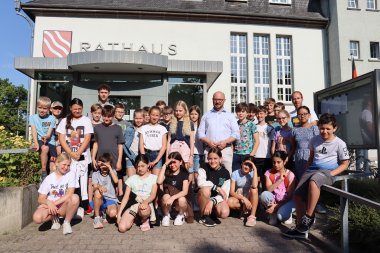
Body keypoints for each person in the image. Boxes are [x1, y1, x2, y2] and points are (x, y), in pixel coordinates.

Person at [283, 113, 350, 239]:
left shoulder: (340, 143)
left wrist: (331, 174)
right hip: (312, 170)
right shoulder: (314, 140)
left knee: (314, 181)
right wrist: (307, 170)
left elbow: (345, 164)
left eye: (328, 129)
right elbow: (311, 157)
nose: (324, 131)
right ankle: (300, 229)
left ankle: (309, 218)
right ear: (318, 127)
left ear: (334, 128)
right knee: (297, 195)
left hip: (327, 172)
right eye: (322, 128)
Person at [57, 98, 94, 218]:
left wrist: (78, 152)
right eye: (75, 109)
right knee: (70, 182)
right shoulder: (64, 121)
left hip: (82, 157)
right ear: (70, 108)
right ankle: (68, 206)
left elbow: (87, 138)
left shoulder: (86, 120)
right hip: (68, 158)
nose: (77, 111)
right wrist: (70, 153)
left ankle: (82, 207)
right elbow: (61, 139)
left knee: (82, 183)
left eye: (79, 109)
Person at [33, 153, 79, 235]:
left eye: (68, 165)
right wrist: (48, 203)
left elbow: (69, 194)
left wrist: (52, 204)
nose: (66, 167)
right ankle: (55, 218)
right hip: (51, 206)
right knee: (37, 218)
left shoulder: (71, 174)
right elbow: (40, 198)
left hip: (63, 206)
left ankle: (67, 222)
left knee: (75, 197)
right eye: (64, 164)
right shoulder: (48, 178)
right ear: (57, 163)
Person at [198, 91, 240, 174]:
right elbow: (200, 133)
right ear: (212, 100)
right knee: (209, 175)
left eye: (220, 99)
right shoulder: (206, 115)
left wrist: (225, 142)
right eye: (216, 99)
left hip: (225, 150)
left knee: (227, 174)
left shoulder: (230, 116)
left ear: (224, 100)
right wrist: (209, 142)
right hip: (210, 150)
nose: (218, 101)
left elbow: (236, 133)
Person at [91, 105, 124, 201]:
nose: (106, 118)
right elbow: (96, 143)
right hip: (100, 159)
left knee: (113, 182)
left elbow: (120, 145)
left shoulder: (118, 128)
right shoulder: (97, 128)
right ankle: (98, 203)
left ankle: (113, 202)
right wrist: (93, 158)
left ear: (113, 116)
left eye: (109, 116)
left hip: (113, 160)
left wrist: (119, 161)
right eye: (104, 116)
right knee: (99, 181)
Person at [117, 154, 158, 232]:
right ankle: (135, 219)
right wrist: (119, 214)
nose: (140, 168)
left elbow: (153, 195)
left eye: (142, 166)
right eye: (138, 166)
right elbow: (125, 198)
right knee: (122, 228)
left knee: (144, 210)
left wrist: (145, 202)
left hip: (146, 203)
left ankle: (145, 220)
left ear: (148, 164)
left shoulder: (153, 178)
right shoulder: (132, 179)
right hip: (134, 204)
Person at [197, 148, 231, 227]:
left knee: (224, 213)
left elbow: (225, 193)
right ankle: (204, 217)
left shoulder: (225, 173)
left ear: (220, 159)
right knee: (206, 190)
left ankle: (211, 213)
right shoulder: (203, 166)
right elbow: (200, 183)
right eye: (210, 159)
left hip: (215, 199)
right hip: (202, 197)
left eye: (215, 158)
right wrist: (217, 188)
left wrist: (212, 201)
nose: (212, 161)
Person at [157, 152, 192, 226]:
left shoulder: (184, 173)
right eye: (170, 163)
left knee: (182, 199)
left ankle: (181, 215)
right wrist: (164, 165)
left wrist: (172, 198)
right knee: (166, 196)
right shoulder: (167, 172)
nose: (172, 165)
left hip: (178, 201)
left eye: (174, 162)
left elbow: (185, 191)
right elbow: (159, 181)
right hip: (167, 202)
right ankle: (166, 215)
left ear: (180, 162)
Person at [261, 151, 296, 225]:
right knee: (264, 194)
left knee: (281, 217)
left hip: (286, 201)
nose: (276, 165)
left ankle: (287, 213)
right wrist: (280, 180)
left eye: (278, 162)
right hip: (274, 200)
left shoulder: (290, 175)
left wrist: (276, 206)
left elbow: (290, 196)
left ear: (284, 161)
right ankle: (273, 214)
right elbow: (269, 190)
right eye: (274, 162)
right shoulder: (269, 173)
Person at [29, 96, 57, 181]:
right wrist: (36, 142)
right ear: (37, 107)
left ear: (49, 109)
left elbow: (49, 132)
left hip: (50, 140)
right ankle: (44, 171)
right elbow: (34, 131)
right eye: (40, 107)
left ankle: (52, 181)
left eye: (45, 108)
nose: (42, 110)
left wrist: (47, 137)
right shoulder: (33, 117)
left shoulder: (52, 118)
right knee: (45, 148)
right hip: (39, 140)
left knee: (53, 162)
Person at [228, 157, 259, 227]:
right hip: (239, 195)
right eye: (245, 164)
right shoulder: (235, 173)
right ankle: (243, 210)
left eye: (250, 165)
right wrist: (244, 199)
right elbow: (232, 192)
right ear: (242, 164)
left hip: (249, 195)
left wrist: (255, 169)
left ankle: (252, 216)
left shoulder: (252, 174)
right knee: (229, 202)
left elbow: (254, 186)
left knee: (254, 190)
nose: (247, 167)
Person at [91, 153, 118, 229]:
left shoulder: (112, 172)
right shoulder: (95, 174)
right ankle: (97, 218)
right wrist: (99, 187)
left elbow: (116, 181)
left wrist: (109, 168)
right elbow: (94, 187)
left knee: (113, 213)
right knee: (97, 192)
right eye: (102, 165)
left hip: (111, 199)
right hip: (100, 200)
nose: (104, 167)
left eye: (106, 165)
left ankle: (105, 213)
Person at [292, 106, 319, 180]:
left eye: (305, 114)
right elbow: (294, 146)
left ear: (309, 115)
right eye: (300, 114)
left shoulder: (314, 128)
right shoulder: (294, 129)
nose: (302, 116)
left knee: (311, 179)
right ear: (297, 116)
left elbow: (318, 144)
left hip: (311, 157)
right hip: (299, 158)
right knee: (300, 179)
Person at [139, 106, 168, 175]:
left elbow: (164, 146)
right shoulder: (143, 128)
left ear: (159, 116)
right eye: (153, 115)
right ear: (149, 115)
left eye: (157, 115)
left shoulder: (162, 129)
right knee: (146, 178)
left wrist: (156, 160)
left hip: (157, 155)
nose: (154, 117)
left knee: (155, 179)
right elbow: (141, 144)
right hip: (146, 154)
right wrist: (144, 159)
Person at [232, 102, 259, 172]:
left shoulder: (251, 124)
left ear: (247, 113)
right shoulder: (235, 124)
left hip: (247, 154)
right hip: (236, 154)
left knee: (248, 177)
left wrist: (251, 155)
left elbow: (257, 141)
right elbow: (232, 141)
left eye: (243, 111)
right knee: (236, 175)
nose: (240, 113)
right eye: (238, 111)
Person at [167, 101, 194, 170]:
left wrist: (191, 156)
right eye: (176, 111)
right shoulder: (171, 123)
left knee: (185, 170)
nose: (178, 112)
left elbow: (191, 142)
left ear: (185, 111)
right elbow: (168, 141)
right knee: (173, 169)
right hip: (173, 148)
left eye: (180, 110)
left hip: (185, 148)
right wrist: (167, 156)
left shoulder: (190, 123)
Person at [86, 103, 103, 214]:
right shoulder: (88, 124)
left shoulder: (102, 125)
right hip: (89, 154)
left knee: (101, 178)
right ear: (91, 113)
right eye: (95, 113)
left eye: (99, 113)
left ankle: (100, 201)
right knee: (90, 179)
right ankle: (90, 202)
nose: (97, 115)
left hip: (100, 154)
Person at [254, 106, 275, 191]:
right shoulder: (254, 127)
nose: (259, 115)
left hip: (267, 157)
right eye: (258, 114)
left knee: (266, 179)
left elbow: (273, 143)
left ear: (266, 114)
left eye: (261, 113)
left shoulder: (270, 128)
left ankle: (265, 198)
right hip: (256, 156)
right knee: (256, 180)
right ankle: (257, 199)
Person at [124, 109, 144, 177]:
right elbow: (125, 146)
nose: (138, 120)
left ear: (143, 118)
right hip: (130, 157)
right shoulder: (129, 129)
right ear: (133, 118)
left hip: (142, 157)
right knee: (131, 180)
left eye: (140, 118)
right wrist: (132, 156)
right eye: (136, 118)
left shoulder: (145, 129)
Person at [189, 105, 203, 186]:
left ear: (198, 115)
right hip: (189, 153)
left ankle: (196, 188)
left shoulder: (201, 126)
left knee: (197, 171)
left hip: (199, 152)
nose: (193, 116)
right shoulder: (187, 125)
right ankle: (191, 188)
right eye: (192, 114)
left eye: (195, 114)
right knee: (190, 171)